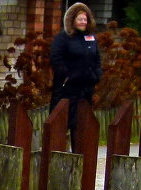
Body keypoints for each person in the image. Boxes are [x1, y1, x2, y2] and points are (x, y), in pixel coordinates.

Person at [50, 3, 102, 148]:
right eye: (80, 19)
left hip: (86, 89)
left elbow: (97, 59)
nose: (83, 22)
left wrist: (96, 75)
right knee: (61, 124)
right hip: (66, 89)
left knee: (81, 125)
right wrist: (67, 75)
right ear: (73, 20)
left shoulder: (91, 39)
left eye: (85, 19)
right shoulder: (63, 38)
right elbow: (56, 58)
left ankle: (79, 156)